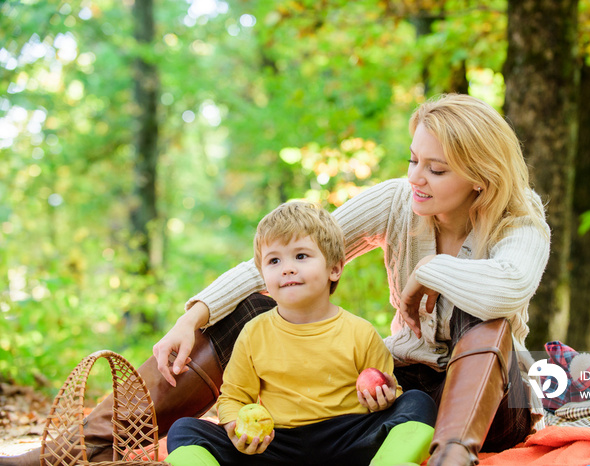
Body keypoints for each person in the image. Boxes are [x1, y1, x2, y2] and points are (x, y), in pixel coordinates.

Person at [2, 93, 550, 466]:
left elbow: (511, 286)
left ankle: (451, 459)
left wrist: (431, 271)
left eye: (437, 169)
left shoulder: (519, 218)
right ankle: (75, 450)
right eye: (413, 160)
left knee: (486, 312)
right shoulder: (397, 203)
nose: (416, 179)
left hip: (493, 400)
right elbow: (295, 249)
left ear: (480, 177)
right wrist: (193, 315)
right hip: (401, 385)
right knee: (267, 293)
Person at [164, 201, 438, 466]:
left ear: (334, 268)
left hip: (349, 437)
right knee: (184, 430)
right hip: (277, 444)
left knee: (416, 402)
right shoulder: (254, 333)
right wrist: (238, 429)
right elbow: (234, 397)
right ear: (264, 278)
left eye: (301, 256)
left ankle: (390, 462)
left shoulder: (360, 332)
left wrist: (384, 398)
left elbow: (389, 390)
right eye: (274, 261)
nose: (287, 267)